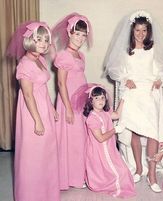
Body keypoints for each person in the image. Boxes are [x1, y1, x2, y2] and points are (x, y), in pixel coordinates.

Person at [104, 10, 163, 192]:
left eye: (144, 30)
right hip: (134, 92)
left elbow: (162, 67)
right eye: (137, 30)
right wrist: (126, 79)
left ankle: (151, 174)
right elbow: (115, 69)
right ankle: (139, 167)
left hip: (150, 91)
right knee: (134, 132)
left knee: (152, 134)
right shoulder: (127, 52)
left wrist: (159, 78)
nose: (141, 34)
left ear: (148, 31)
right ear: (132, 31)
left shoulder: (153, 49)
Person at [6, 21, 60, 201]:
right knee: (33, 155)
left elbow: (42, 88)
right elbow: (28, 95)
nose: (43, 44)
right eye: (38, 40)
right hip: (32, 113)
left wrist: (51, 108)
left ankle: (46, 194)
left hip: (43, 108)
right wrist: (37, 120)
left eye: (46, 40)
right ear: (29, 40)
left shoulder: (40, 60)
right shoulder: (24, 64)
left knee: (46, 153)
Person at [71, 84, 136, 198]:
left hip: (109, 148)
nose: (101, 100)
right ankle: (99, 183)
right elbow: (100, 138)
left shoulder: (105, 112)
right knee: (118, 173)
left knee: (122, 172)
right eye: (97, 98)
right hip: (100, 150)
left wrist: (124, 98)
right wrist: (115, 130)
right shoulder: (92, 118)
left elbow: (116, 115)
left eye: (102, 97)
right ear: (91, 101)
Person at [52, 12, 93, 190]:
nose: (80, 38)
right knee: (70, 141)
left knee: (79, 140)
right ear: (69, 33)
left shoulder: (80, 56)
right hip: (67, 103)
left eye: (84, 35)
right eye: (77, 34)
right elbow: (61, 83)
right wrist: (68, 108)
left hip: (80, 104)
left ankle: (78, 175)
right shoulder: (64, 55)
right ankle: (68, 178)